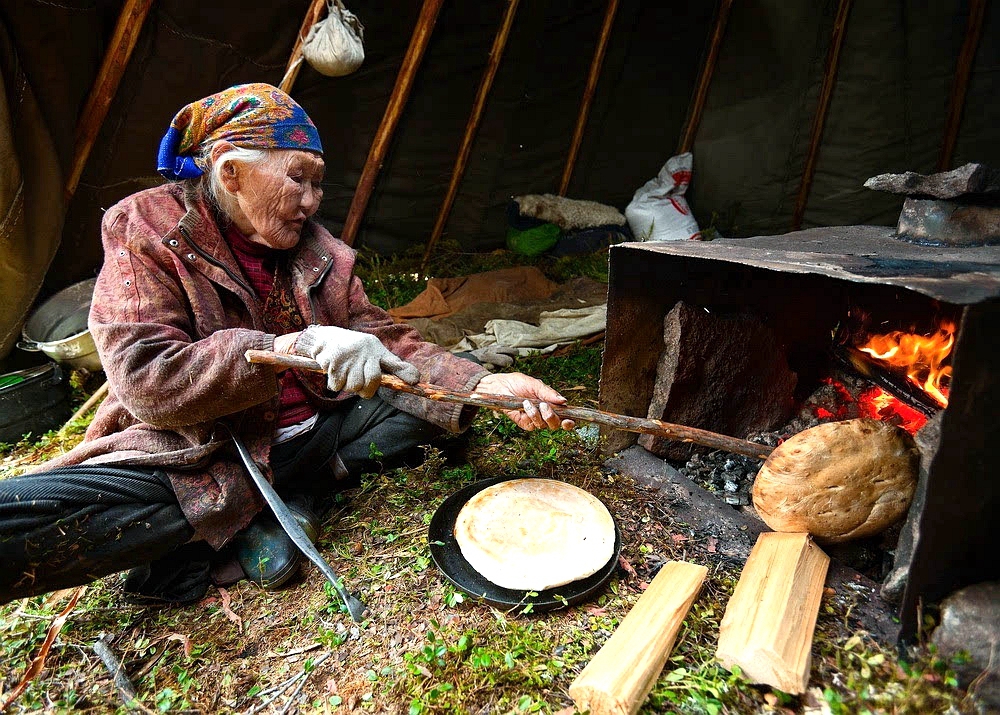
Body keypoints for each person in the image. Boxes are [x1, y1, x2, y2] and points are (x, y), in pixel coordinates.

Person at [0, 83, 574, 606]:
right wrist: (295, 347)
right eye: (298, 177)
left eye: (319, 182)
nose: (312, 199)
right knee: (44, 514)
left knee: (432, 406)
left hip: (317, 427)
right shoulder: (148, 231)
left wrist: (484, 384)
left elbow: (389, 341)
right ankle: (267, 501)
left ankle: (277, 499)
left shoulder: (320, 251)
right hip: (208, 444)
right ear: (230, 173)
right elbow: (148, 379)